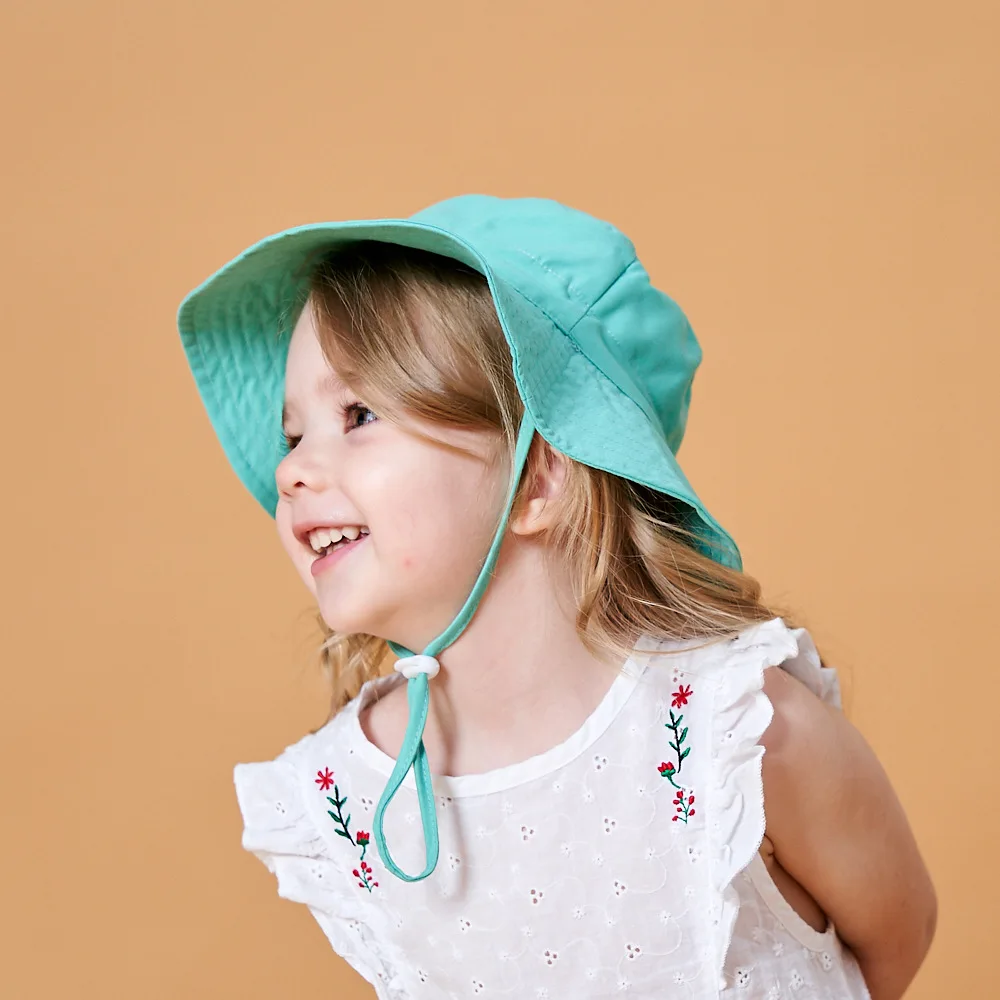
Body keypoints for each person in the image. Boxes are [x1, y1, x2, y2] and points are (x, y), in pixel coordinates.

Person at [177, 194, 936, 999]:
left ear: (539, 478)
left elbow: (896, 939)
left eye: (359, 414)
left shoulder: (736, 736)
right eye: (292, 435)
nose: (289, 471)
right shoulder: (346, 801)